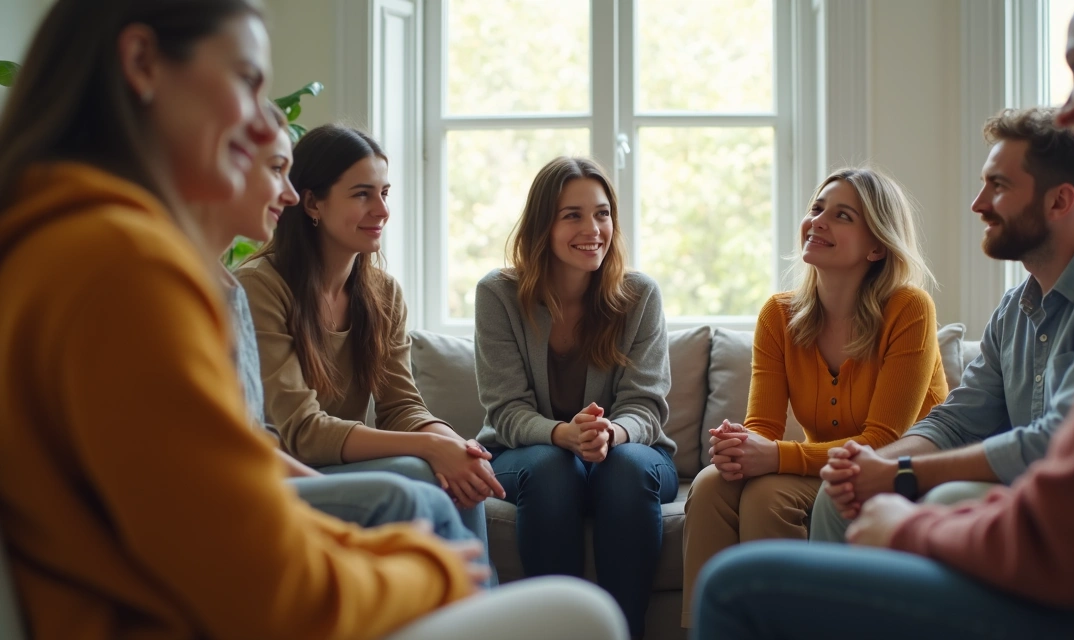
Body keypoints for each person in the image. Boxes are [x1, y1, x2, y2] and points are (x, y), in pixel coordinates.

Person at [0, 1, 626, 638]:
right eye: (247, 80)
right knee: (584, 614)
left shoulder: (59, 241)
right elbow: (259, 572)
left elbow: (217, 518)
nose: (258, 120)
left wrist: (441, 445)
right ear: (141, 63)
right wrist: (429, 572)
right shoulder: (130, 267)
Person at [694, 1, 1074, 638]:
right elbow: (960, 420)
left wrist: (907, 504)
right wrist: (878, 468)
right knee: (779, 494)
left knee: (737, 587)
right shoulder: (1025, 304)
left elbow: (1066, 512)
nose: (1072, 109)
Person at [809, 107, 1074, 542]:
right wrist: (870, 468)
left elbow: (1060, 441)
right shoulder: (1014, 308)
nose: (978, 204)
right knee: (839, 496)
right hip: (1030, 497)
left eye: (998, 186)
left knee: (948, 502)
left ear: (1060, 201)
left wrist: (900, 472)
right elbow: (956, 424)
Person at [193, 103, 478, 543]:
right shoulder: (258, 287)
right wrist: (426, 447)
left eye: (385, 193)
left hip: (337, 461)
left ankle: (478, 607)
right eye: (363, 194)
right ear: (312, 203)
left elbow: (401, 407)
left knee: (459, 474)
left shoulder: (383, 293)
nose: (381, 210)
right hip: (296, 460)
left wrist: (450, 443)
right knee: (416, 469)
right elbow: (302, 431)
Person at [680, 167, 948, 626]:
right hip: (828, 465)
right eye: (816, 209)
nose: (818, 221)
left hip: (895, 471)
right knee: (709, 485)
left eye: (842, 215)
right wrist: (739, 447)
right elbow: (762, 426)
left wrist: (775, 456)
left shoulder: (909, 309)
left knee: (770, 497)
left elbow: (882, 441)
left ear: (877, 246)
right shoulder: (779, 314)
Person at [474, 156, 677, 639]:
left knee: (626, 466)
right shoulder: (498, 294)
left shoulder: (639, 295)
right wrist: (563, 434)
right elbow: (506, 409)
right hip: (525, 457)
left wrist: (613, 432)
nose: (593, 228)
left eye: (603, 213)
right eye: (573, 215)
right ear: (543, 224)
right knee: (550, 466)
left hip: (626, 456)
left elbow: (646, 405)